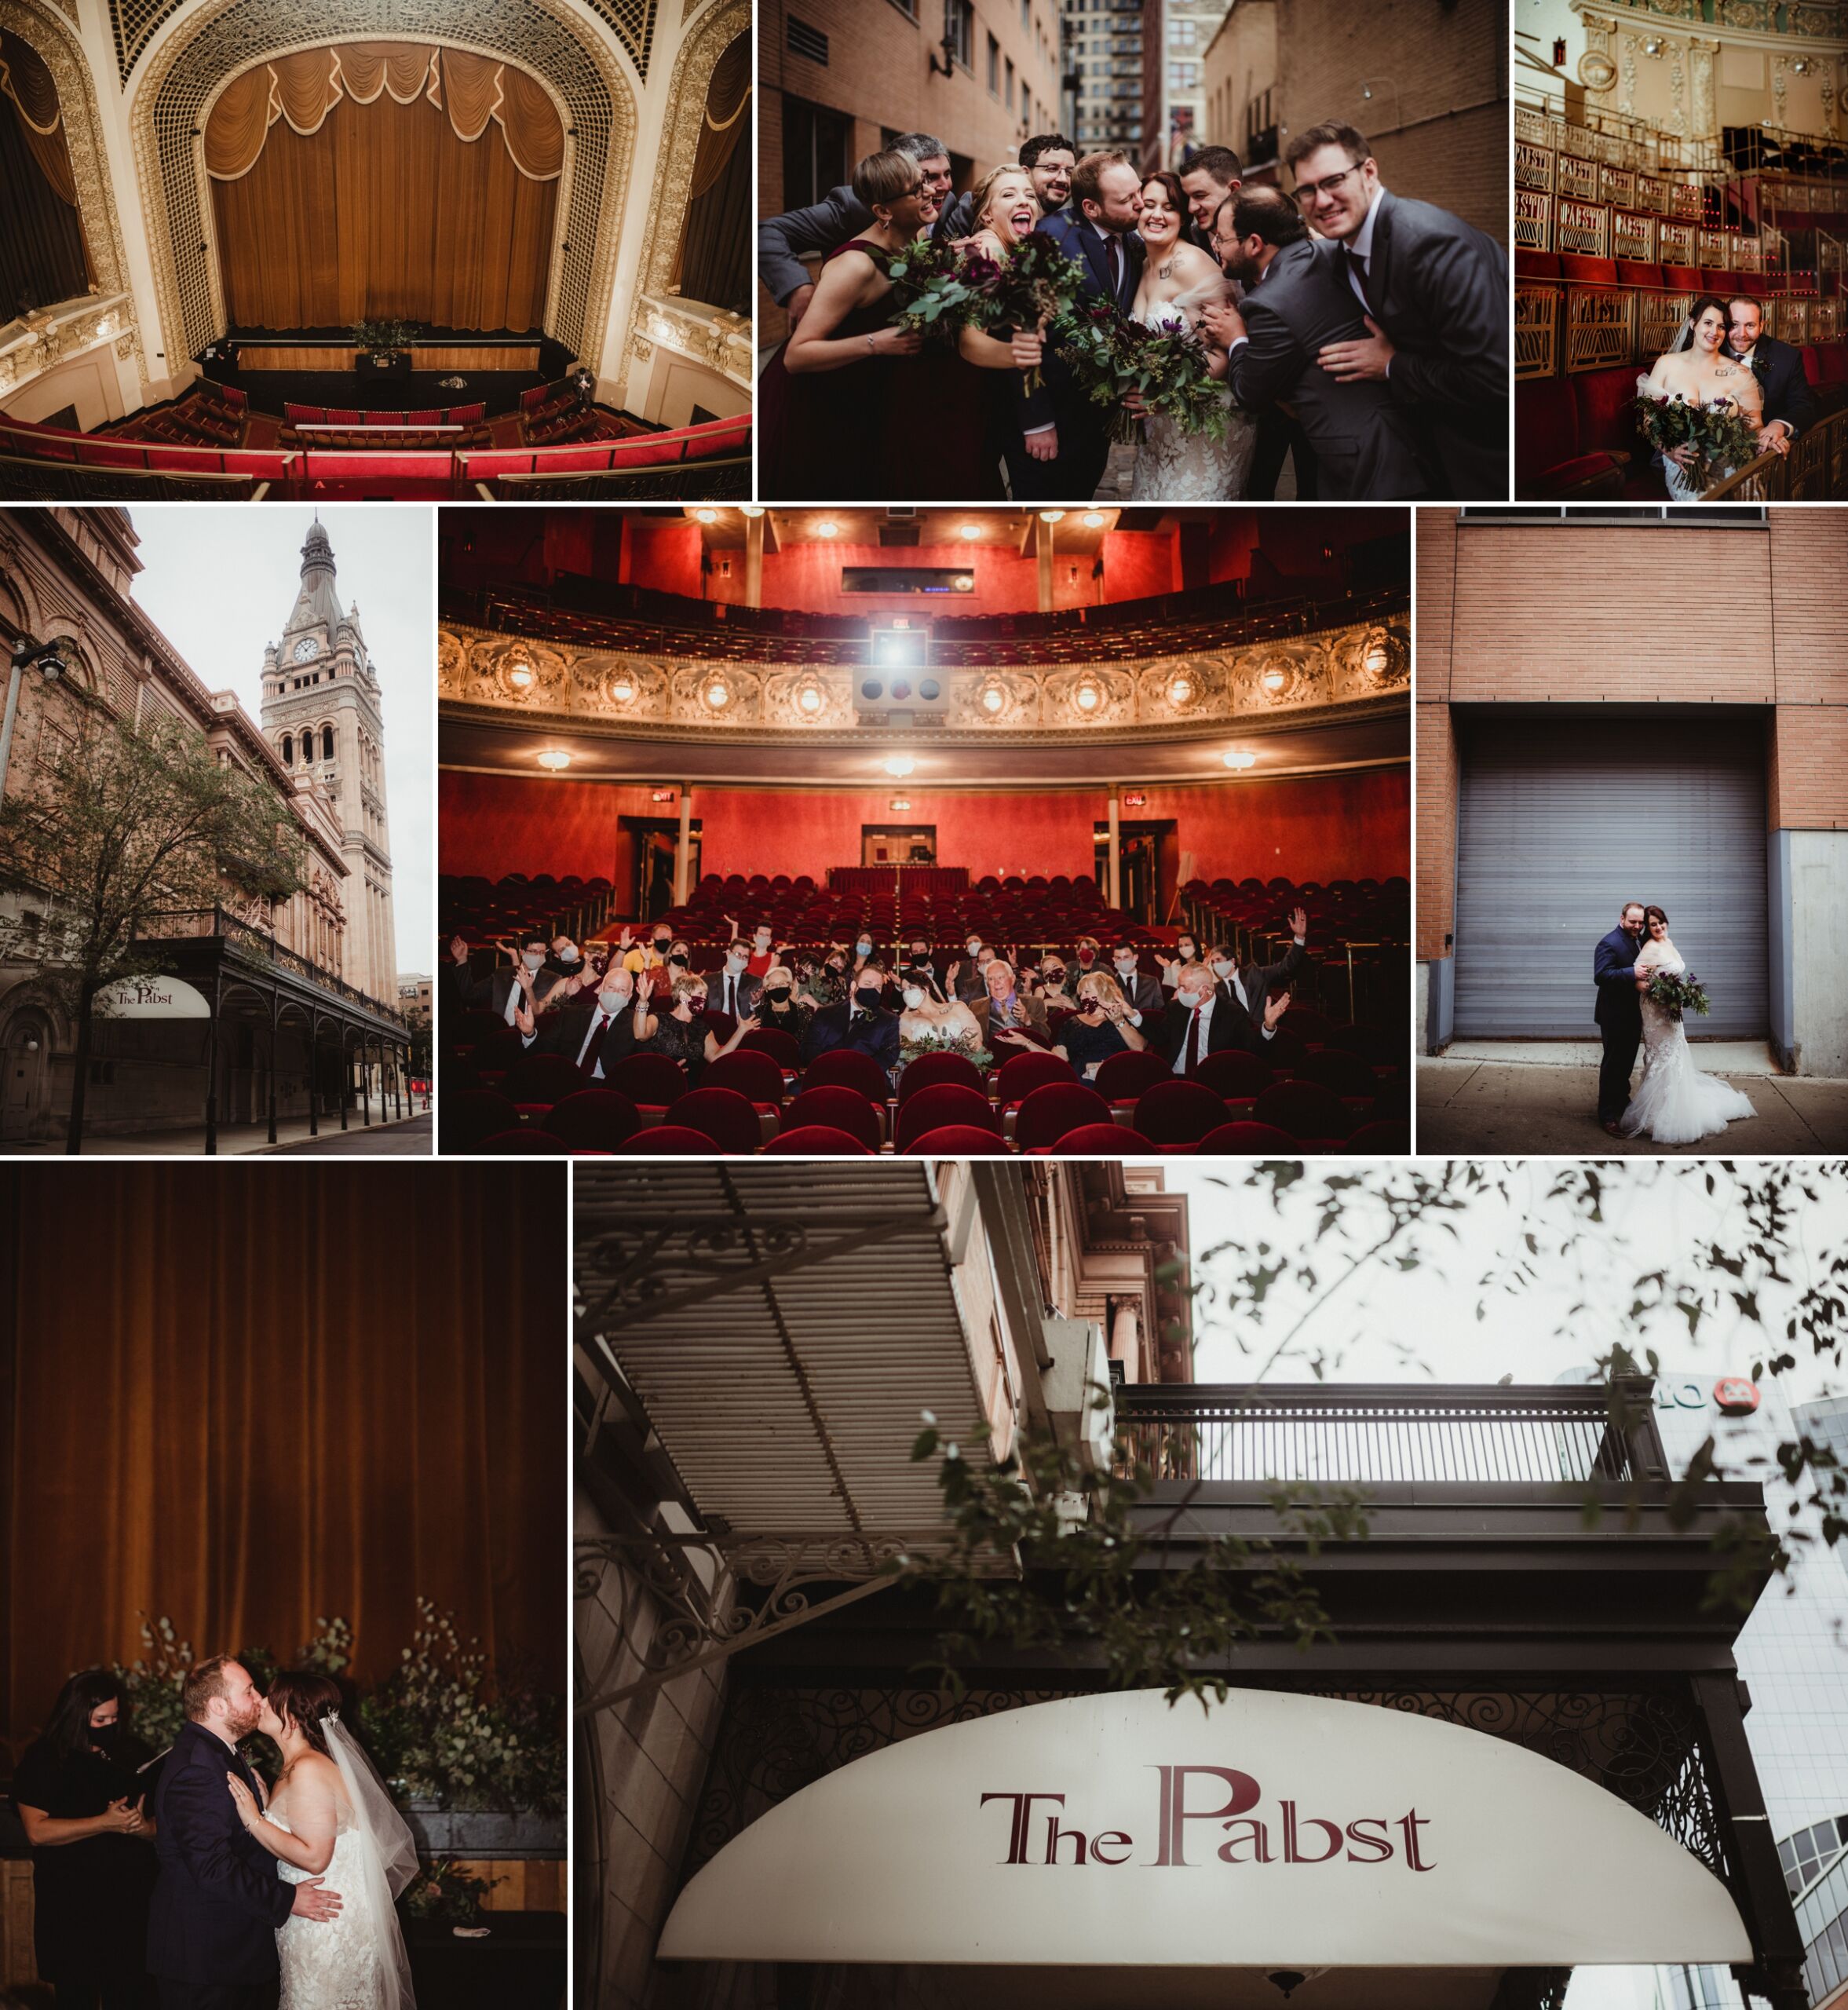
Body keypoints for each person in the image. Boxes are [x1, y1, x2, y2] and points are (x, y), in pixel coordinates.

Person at [1286, 121, 1509, 499]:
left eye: (1334, 181)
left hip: (1484, 460)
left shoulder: (1432, 245)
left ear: (1369, 172)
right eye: (1307, 190)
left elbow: (1494, 378)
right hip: (1419, 452)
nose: (1321, 201)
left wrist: (1391, 364)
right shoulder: (1344, 251)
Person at [1204, 187, 1427, 502]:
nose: (1216, 246)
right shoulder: (1334, 253)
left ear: (1254, 243)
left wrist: (1236, 337)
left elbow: (1251, 393)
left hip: (1360, 461)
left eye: (1222, 239)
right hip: (1405, 435)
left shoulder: (1266, 303)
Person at [148, 1656, 341, 2010]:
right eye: (249, 1690)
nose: (260, 1698)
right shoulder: (199, 1768)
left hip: (225, 1952)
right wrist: (287, 1899)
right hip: (204, 1957)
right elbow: (211, 1866)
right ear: (218, 1706)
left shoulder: (218, 1753)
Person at [225, 1671, 416, 2010]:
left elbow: (315, 1857)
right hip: (314, 1914)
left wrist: (254, 1819)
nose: (262, 1702)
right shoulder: (299, 1766)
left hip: (327, 1923)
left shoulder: (309, 1769)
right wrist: (269, 1812)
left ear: (293, 1719)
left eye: (271, 1697)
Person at [12, 1670, 159, 2010]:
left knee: (134, 1996)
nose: (109, 1725)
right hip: (72, 1907)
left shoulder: (131, 1752)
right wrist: (103, 1823)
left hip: (130, 1905)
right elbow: (37, 1831)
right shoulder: (46, 1759)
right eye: (99, 1719)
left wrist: (142, 1828)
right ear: (77, 1716)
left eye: (115, 1717)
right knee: (76, 1995)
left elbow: (160, 1827)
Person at [1016, 151, 1149, 501]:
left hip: (1096, 419)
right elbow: (1023, 335)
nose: (1141, 204)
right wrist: (1037, 421)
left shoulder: (1134, 241)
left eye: (1139, 192)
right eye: (1127, 199)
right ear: (1090, 207)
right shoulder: (1050, 238)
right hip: (1052, 418)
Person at [1129, 170, 1257, 500]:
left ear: (1182, 217)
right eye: (1148, 205)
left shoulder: (1193, 266)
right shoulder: (1143, 264)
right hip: (1159, 432)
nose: (1156, 215)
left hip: (1205, 426)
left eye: (1169, 207)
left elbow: (1224, 351)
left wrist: (1166, 397)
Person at [758, 131, 955, 327]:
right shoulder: (850, 207)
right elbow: (767, 232)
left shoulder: (947, 203)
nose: (945, 186)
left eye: (947, 174)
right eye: (929, 178)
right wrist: (796, 286)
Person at [1620, 905, 1757, 1145]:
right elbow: (1639, 981)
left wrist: (1680, 995)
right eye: (1653, 924)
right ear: (1648, 928)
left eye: (1661, 922)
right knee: (1662, 1056)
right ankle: (1658, 1112)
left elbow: (1673, 975)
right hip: (1656, 1011)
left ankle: (1679, 1104)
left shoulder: (1668, 942)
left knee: (1677, 1053)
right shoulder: (1650, 949)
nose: (1659, 927)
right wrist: (1662, 997)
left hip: (1672, 1009)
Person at [1641, 294, 1765, 500]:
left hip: (1730, 463)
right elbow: (1648, 419)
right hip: (1685, 464)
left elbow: (1755, 425)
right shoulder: (1666, 364)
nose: (1714, 332)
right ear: (1693, 324)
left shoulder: (1740, 373)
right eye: (1708, 323)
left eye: (1722, 326)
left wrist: (1772, 436)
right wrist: (1669, 450)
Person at [517, 963, 648, 1083]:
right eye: (611, 987)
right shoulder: (571, 1014)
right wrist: (529, 1033)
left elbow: (639, 1070)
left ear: (630, 996)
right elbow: (544, 1051)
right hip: (566, 1079)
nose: (615, 993)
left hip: (606, 1086)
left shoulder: (636, 1024)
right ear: (601, 989)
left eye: (622, 990)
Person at [1163, 959, 1291, 1073]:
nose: (1179, 992)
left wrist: (1268, 1026)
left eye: (1184, 988)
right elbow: (1158, 1036)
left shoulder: (1233, 1014)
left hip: (1214, 1077)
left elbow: (1253, 1050)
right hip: (1176, 1076)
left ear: (1203, 990)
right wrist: (1141, 1019)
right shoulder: (1176, 1008)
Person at [1726, 295, 1814, 458]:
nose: (1742, 333)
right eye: (1734, 325)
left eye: (1750, 325)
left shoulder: (1787, 357)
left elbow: (1803, 406)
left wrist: (1778, 426)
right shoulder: (1710, 350)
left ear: (1761, 326)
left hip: (1766, 454)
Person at [635, 972, 757, 1086]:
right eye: (700, 994)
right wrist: (642, 1001)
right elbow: (640, 1034)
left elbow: (716, 1058)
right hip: (659, 1083)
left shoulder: (702, 1028)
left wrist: (741, 1031)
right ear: (683, 995)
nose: (704, 999)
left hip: (692, 1088)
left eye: (705, 995)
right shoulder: (658, 1019)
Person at [1593, 901, 1651, 1136]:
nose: (1637, 926)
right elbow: (1601, 975)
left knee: (1626, 1063)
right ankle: (1606, 1115)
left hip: (1633, 1015)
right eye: (1632, 921)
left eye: (1640, 922)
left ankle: (1621, 1100)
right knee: (1612, 1065)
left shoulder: (1638, 940)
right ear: (1622, 919)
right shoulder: (1609, 942)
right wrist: (1631, 973)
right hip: (1614, 1015)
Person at [1053, 971, 1149, 1080]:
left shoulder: (1124, 1014)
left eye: (1087, 992)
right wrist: (1029, 1042)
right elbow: (1056, 1058)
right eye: (1081, 994)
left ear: (1104, 992)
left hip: (1117, 1076)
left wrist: (1119, 1022)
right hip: (1081, 1078)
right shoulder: (1072, 1022)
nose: (1082, 997)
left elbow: (1139, 1047)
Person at [804, 966, 901, 1070]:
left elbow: (889, 1055)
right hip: (826, 1073)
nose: (872, 990)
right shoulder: (825, 1013)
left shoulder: (888, 1020)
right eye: (867, 984)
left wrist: (858, 1069)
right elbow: (808, 1047)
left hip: (864, 1076)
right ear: (854, 986)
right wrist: (826, 1066)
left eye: (878, 987)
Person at [971, 959, 1052, 1052]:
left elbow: (1046, 1037)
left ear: (1012, 979)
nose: (996, 983)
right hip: (991, 1064)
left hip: (1026, 1060)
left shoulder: (1035, 1003)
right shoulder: (975, 1007)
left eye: (1001, 977)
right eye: (991, 979)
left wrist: (1028, 1021)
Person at [1178, 145, 1242, 254]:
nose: (1191, 208)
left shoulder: (1268, 239)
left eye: (1200, 195)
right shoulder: (1184, 245)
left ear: (1233, 189)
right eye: (1186, 198)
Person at [754, 963, 813, 1047]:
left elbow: (808, 1043)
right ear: (766, 989)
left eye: (782, 983)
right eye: (772, 985)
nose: (778, 987)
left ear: (790, 986)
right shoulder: (760, 1011)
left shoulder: (802, 1009)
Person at [707, 941, 762, 1021]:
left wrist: (755, 1004)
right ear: (728, 953)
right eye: (738, 954)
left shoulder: (755, 982)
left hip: (744, 1028)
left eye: (745, 957)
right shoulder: (707, 981)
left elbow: (760, 1015)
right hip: (715, 1028)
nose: (741, 959)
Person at [1108, 945, 1166, 1018]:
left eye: (1126, 957)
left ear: (1135, 957)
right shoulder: (1108, 983)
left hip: (1147, 1025)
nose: (1122, 961)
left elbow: (1159, 1010)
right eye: (1118, 958)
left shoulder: (1152, 982)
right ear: (1114, 960)